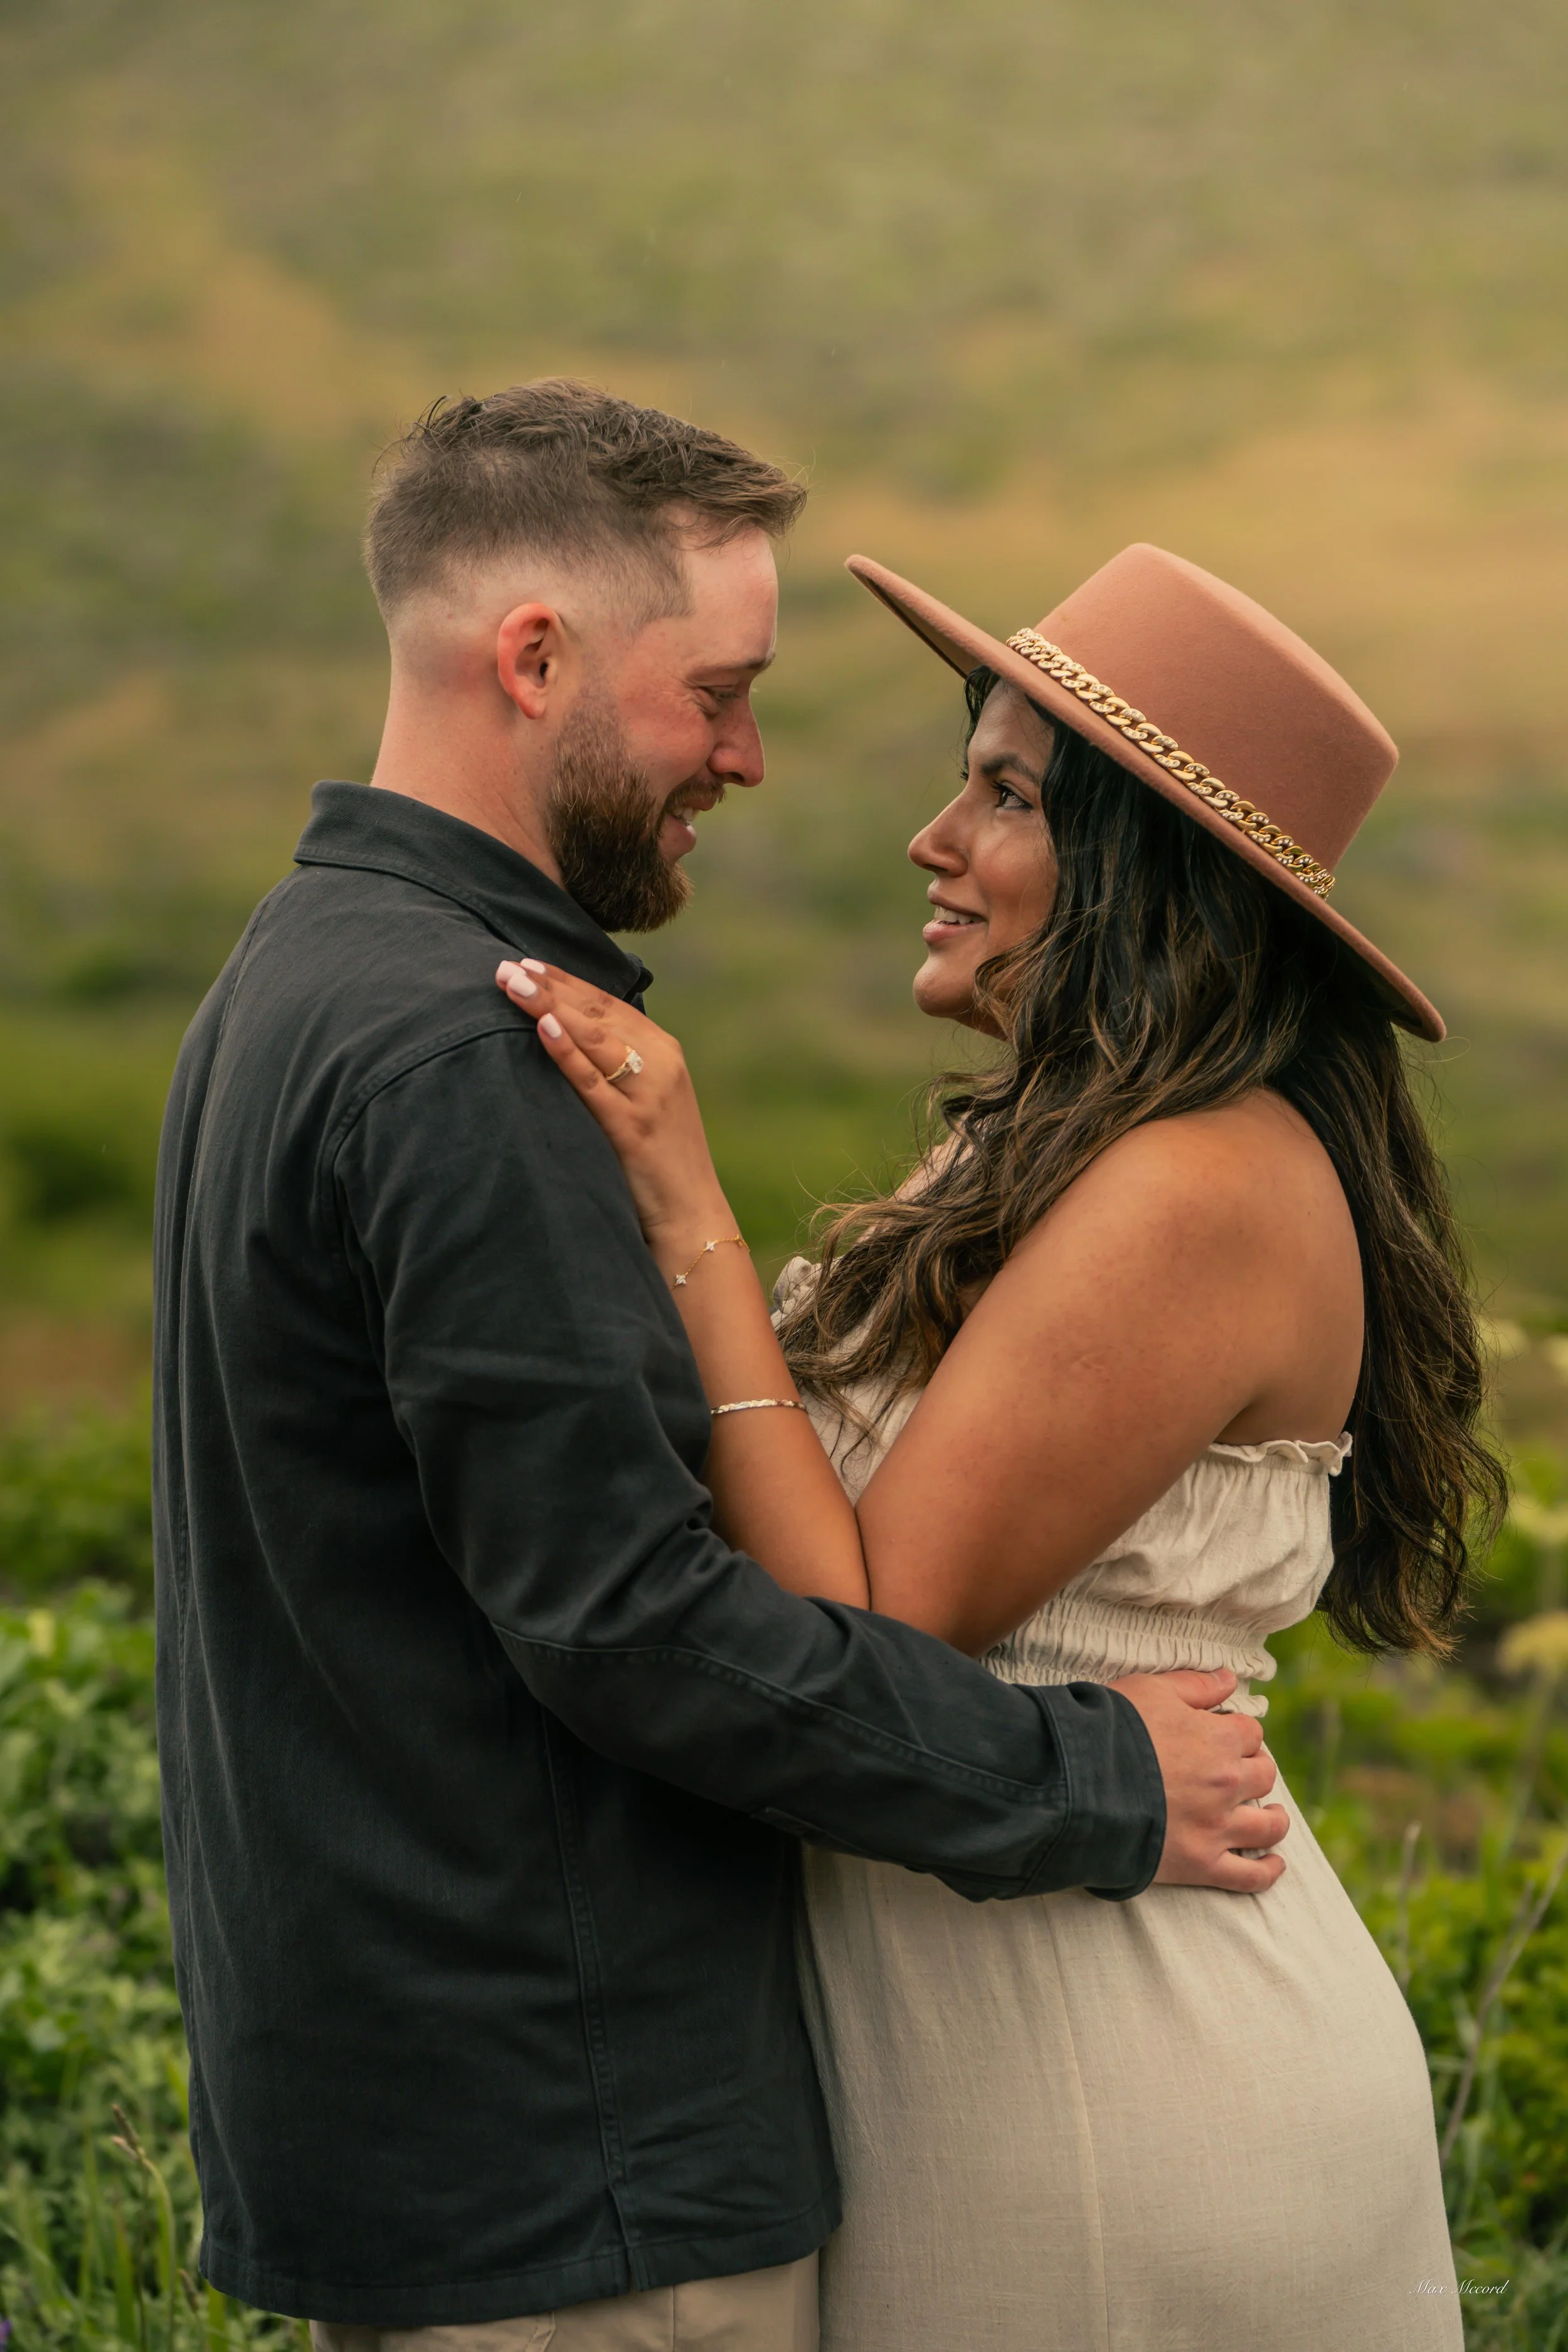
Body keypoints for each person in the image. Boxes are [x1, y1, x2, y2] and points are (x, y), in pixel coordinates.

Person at [151, 387, 1284, 2352]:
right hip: (582, 2156)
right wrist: (1096, 1775)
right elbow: (633, 1627)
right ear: (534, 658)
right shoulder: (465, 1051)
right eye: (720, 693)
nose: (749, 759)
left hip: (421, 2111)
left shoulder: (298, 967)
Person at [497, 539, 1507, 2351]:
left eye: (1006, 794)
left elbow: (871, 1629)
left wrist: (691, 1221)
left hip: (1100, 2072)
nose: (931, 839)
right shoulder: (1031, 1161)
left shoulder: (1196, 1186)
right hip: (974, 2031)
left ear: (1144, 874)